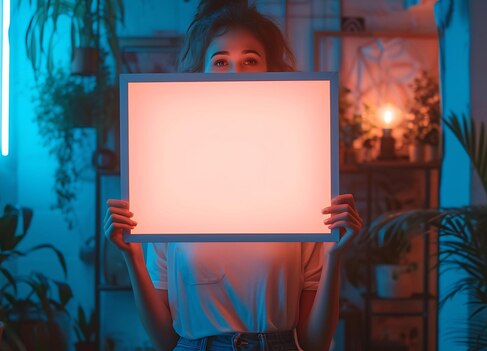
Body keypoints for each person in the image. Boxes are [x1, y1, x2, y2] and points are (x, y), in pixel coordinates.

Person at [105, 1, 363, 351]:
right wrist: (131, 255)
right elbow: (165, 339)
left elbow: (314, 343)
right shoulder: (169, 182)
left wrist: (335, 256)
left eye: (250, 60)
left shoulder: (303, 182)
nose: (235, 71)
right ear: (202, 72)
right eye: (221, 61)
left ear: (273, 72)